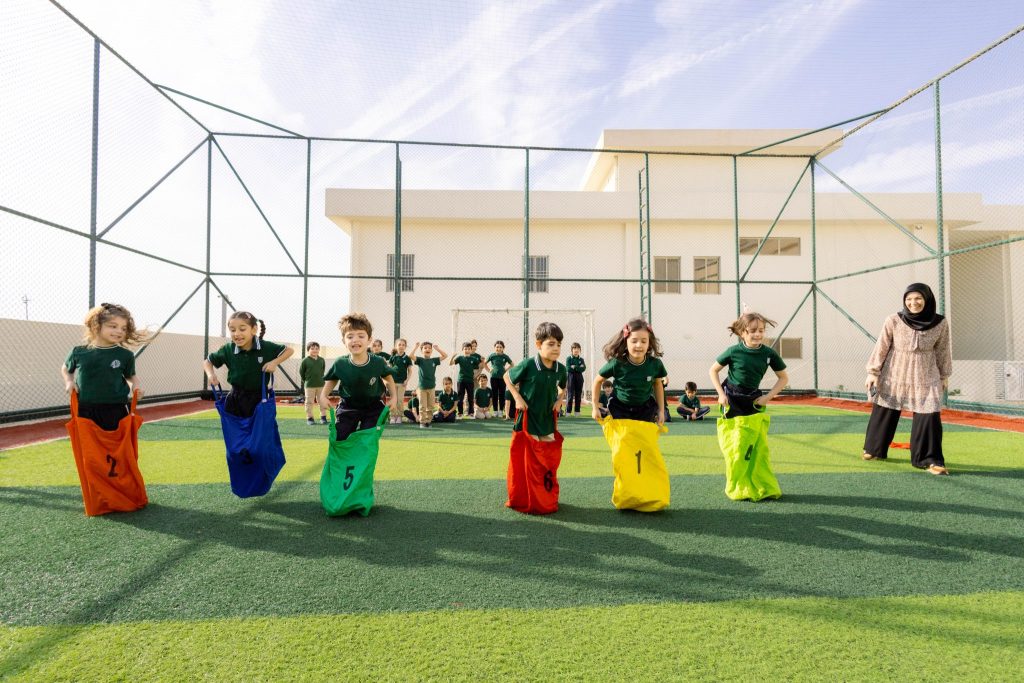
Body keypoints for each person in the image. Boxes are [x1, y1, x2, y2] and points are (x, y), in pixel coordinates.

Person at [862, 283, 952, 475]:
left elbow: (943, 350)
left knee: (929, 413)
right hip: (895, 371)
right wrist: (873, 372)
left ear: (927, 299)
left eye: (918, 298)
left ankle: (928, 459)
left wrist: (944, 375)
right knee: (885, 409)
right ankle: (874, 449)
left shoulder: (940, 323)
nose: (913, 303)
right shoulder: (894, 320)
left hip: (926, 374)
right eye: (909, 299)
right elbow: (882, 346)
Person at [62, 303, 147, 430]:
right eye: (113, 326)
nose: (119, 331)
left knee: (115, 448)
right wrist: (69, 381)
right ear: (96, 326)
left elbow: (131, 376)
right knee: (89, 448)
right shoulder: (78, 352)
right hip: (85, 408)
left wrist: (136, 386)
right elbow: (66, 368)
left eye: (123, 328)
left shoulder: (126, 355)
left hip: (117, 409)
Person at [320, 313, 397, 441]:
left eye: (361, 336)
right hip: (348, 405)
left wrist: (394, 397)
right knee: (340, 437)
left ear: (369, 340)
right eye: (350, 336)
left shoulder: (378, 362)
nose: (355, 340)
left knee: (367, 439)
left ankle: (362, 461)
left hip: (373, 406)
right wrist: (323, 396)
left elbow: (387, 377)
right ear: (344, 341)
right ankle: (345, 461)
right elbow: (333, 378)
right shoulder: (340, 363)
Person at [204, 311, 294, 418]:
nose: (236, 333)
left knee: (260, 432)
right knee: (235, 433)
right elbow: (207, 361)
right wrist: (210, 374)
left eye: (242, 329)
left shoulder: (266, 347)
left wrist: (274, 362)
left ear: (254, 329)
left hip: (260, 398)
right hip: (235, 398)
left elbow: (289, 350)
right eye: (232, 330)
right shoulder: (228, 349)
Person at [709, 312, 788, 418]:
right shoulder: (733, 351)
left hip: (752, 397)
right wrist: (721, 394)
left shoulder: (769, 354)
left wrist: (767, 397)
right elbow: (713, 370)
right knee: (732, 432)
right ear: (742, 333)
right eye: (753, 331)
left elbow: (783, 378)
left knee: (752, 431)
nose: (758, 334)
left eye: (761, 330)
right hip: (731, 397)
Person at [591, 318, 666, 426]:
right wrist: (595, 407)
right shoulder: (617, 363)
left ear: (649, 343)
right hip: (619, 407)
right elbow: (597, 381)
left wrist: (661, 411)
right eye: (634, 341)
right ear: (626, 342)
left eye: (644, 341)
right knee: (624, 439)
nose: (639, 345)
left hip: (645, 408)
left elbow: (658, 384)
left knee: (642, 440)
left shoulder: (655, 364)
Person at [507, 322, 567, 441]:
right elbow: (506, 377)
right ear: (538, 344)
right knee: (527, 457)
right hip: (527, 420)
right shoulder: (528, 364)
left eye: (559, 345)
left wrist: (559, 401)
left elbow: (563, 387)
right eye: (551, 344)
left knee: (546, 456)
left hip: (547, 421)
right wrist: (517, 398)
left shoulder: (561, 369)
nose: (556, 348)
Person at [410, 341, 448, 428]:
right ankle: (422, 422)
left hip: (431, 387)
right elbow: (411, 356)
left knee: (430, 405)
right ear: (422, 350)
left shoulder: (434, 360)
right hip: (422, 387)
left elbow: (445, 356)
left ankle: (428, 421)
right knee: (422, 406)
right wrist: (416, 347)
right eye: (425, 348)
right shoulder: (420, 360)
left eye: (429, 348)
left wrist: (437, 349)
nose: (427, 349)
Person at [298, 341, 329, 426]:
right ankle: (310, 418)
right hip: (309, 386)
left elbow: (322, 371)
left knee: (322, 401)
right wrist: (307, 381)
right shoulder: (305, 361)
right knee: (309, 402)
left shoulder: (321, 360)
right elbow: (302, 373)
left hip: (321, 385)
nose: (315, 350)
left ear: (319, 350)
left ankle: (323, 417)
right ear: (308, 350)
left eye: (316, 348)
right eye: (312, 348)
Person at [450, 342, 480, 418]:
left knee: (470, 397)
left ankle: (471, 413)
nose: (467, 350)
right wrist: (452, 356)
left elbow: (479, 366)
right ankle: (460, 413)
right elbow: (450, 363)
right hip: (461, 380)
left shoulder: (474, 359)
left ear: (471, 350)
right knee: (460, 397)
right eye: (465, 349)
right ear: (462, 349)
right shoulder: (460, 358)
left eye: (469, 349)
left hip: (470, 381)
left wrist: (482, 361)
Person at [485, 341, 514, 418]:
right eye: (497, 347)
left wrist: (506, 370)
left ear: (503, 348)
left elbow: (512, 364)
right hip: (493, 377)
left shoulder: (505, 356)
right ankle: (495, 411)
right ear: (495, 348)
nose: (498, 348)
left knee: (502, 394)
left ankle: (501, 410)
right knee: (494, 394)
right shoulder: (492, 356)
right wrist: (489, 370)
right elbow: (484, 363)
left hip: (502, 378)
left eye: (500, 347)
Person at [388, 338, 413, 425]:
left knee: (400, 400)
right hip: (393, 382)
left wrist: (407, 380)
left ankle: (399, 416)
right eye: (399, 344)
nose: (401, 346)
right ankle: (392, 416)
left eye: (403, 345)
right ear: (396, 346)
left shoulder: (407, 358)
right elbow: (389, 369)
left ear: (405, 346)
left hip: (402, 383)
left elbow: (410, 371)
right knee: (393, 399)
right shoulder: (393, 357)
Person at [565, 342, 587, 416]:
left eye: (578, 348)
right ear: (572, 350)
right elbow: (568, 368)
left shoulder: (581, 359)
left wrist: (575, 367)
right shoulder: (569, 358)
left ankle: (577, 411)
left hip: (579, 378)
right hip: (570, 377)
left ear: (580, 350)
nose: (576, 350)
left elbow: (583, 368)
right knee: (570, 395)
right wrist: (578, 367)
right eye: (574, 348)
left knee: (578, 395)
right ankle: (568, 412)